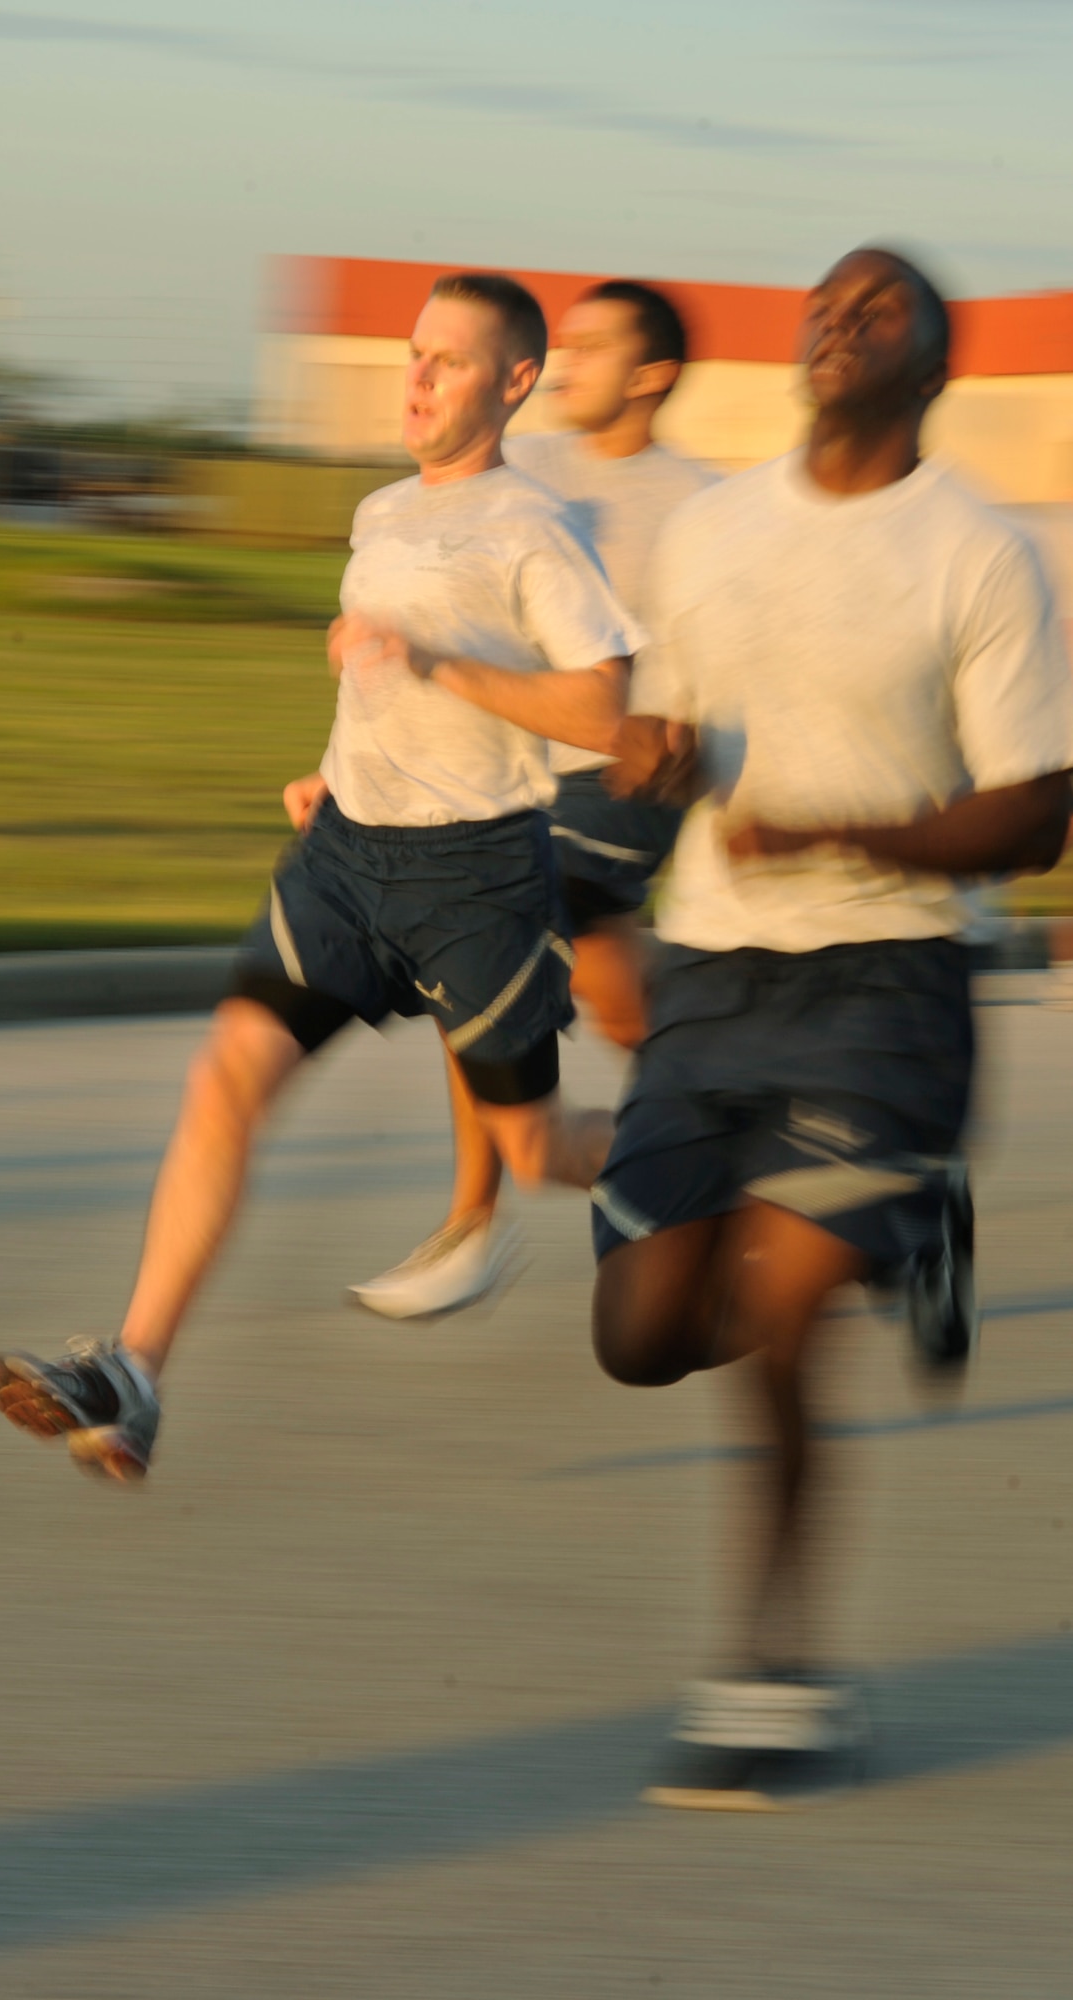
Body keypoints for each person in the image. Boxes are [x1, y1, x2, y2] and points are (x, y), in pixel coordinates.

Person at [592, 246, 1073, 1807]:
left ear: (933, 365)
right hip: (709, 972)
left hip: (885, 981)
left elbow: (1034, 816)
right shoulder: (709, 530)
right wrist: (639, 792)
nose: (836, 320)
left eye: (878, 308)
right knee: (642, 1335)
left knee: (786, 1317)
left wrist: (843, 837)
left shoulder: (978, 554)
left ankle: (772, 1676)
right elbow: (655, 729)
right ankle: (912, 1213)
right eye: (823, 301)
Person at [0, 271, 643, 1482]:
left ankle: (711, 1133)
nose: (417, 378)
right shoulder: (381, 514)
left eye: (450, 361)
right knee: (225, 1071)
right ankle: (132, 1374)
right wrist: (332, 771)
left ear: (514, 382)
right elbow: (376, 680)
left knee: (537, 1147)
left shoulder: (533, 529)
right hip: (345, 855)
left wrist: (440, 662)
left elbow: (605, 707)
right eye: (411, 353)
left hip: (477, 880)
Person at [349, 279, 717, 1320]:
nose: (567, 362)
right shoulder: (519, 469)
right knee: (618, 999)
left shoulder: (699, 501)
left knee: (487, 939)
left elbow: (719, 664)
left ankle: (475, 1220)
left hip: (621, 775)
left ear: (652, 376)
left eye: (596, 347)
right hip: (503, 768)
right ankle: (726, 1130)